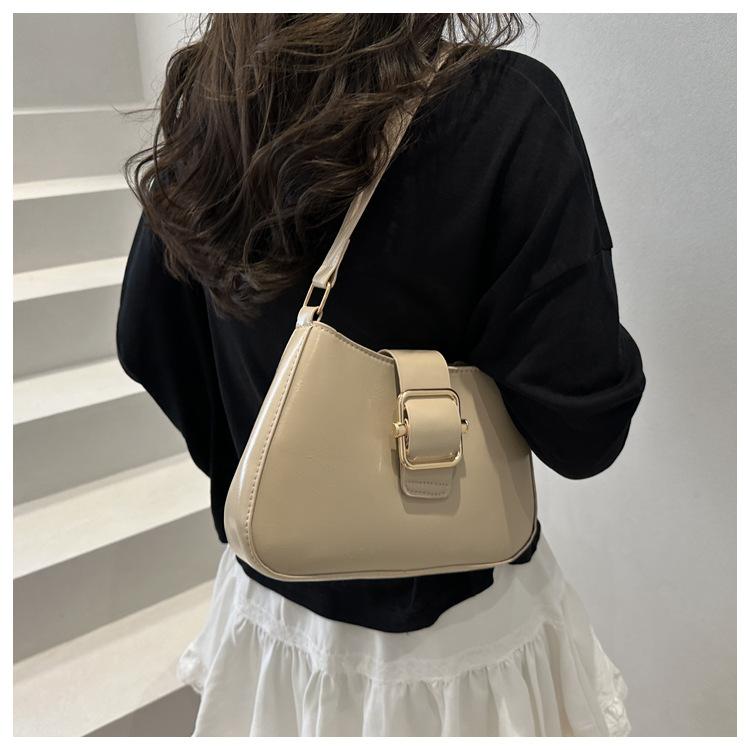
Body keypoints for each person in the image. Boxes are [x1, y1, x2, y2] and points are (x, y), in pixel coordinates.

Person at [116, 14, 646, 737]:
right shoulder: (502, 105)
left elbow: (145, 340)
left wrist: (256, 457)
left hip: (272, 622)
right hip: (462, 650)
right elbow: (585, 430)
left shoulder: (215, 94)